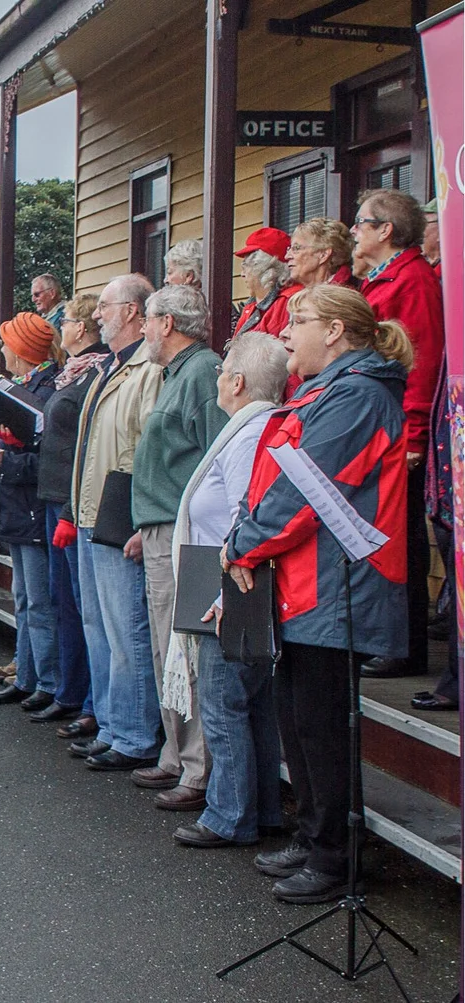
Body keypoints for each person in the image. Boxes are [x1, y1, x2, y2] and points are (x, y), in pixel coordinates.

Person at [224, 285, 412, 904]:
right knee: (299, 721)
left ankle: (336, 854)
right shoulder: (328, 391)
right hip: (309, 585)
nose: (285, 333)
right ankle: (314, 836)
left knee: (325, 728)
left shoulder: (356, 395)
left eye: (298, 321)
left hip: (342, 590)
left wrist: (243, 546)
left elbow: (304, 491)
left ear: (334, 331)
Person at [161, 332, 289, 848]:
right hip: (219, 579)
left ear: (237, 382)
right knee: (250, 704)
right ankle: (262, 813)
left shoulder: (252, 432)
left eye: (223, 370)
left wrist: (220, 597)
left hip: (228, 587)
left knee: (224, 704)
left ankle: (229, 816)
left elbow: (246, 514)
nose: (217, 376)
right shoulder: (252, 427)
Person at [129, 284, 227, 809]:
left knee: (183, 652)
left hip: (187, 535)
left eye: (146, 319)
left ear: (167, 323)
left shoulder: (204, 373)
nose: (143, 328)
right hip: (160, 527)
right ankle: (176, 754)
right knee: (167, 650)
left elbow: (219, 458)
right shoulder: (176, 374)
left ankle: (197, 768)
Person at [68, 274, 163, 771]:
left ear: (132, 311)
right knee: (98, 626)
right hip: (90, 513)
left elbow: (149, 451)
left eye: (104, 306)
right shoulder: (109, 366)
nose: (96, 315)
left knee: (127, 629)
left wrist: (139, 522)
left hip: (118, 516)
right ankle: (111, 724)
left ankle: (134, 734)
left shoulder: (149, 368)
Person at [352, 188, 445, 680]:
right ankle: (385, 636)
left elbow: (422, 361)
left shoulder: (412, 280)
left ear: (386, 230)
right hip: (377, 430)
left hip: (397, 433)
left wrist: (411, 436)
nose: (354, 231)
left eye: (361, 223)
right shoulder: (382, 279)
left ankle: (405, 645)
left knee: (401, 537)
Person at [0, 313, 62, 712]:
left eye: (6, 346)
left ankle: (45, 681)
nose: (1, 352)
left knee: (38, 600)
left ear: (22, 352)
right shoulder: (27, 388)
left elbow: (49, 460)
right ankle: (28, 673)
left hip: (31, 509)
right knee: (25, 597)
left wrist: (4, 461)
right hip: (16, 509)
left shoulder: (44, 394)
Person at [40, 293, 110, 728]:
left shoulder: (94, 374)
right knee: (62, 601)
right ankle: (70, 692)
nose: (59, 329)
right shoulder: (70, 376)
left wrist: (69, 508)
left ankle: (88, 701)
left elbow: (83, 449)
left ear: (80, 328)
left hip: (74, 502)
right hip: (54, 497)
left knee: (81, 606)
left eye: (64, 321)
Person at [233, 227, 301, 337]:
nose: (242, 274)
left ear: (265, 268)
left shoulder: (290, 302)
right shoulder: (252, 305)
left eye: (246, 267)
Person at [285, 218, 357, 289]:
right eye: (289, 249)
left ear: (324, 255)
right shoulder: (301, 294)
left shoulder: (343, 296)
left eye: (296, 248)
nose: (287, 256)